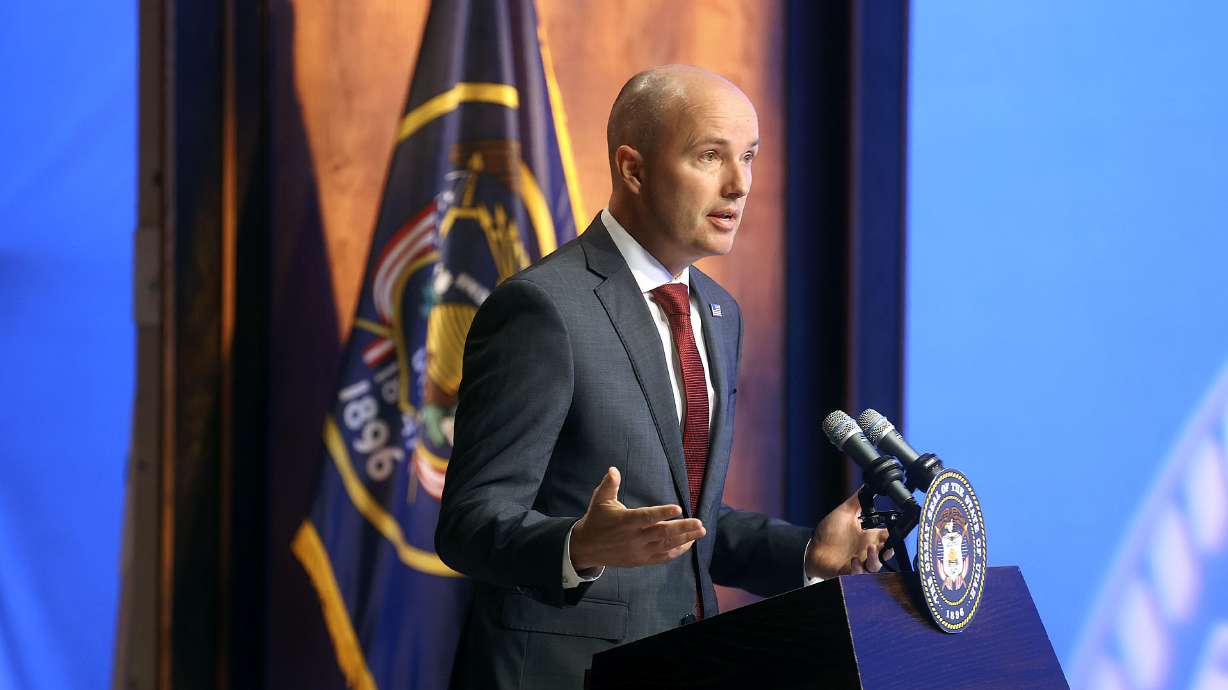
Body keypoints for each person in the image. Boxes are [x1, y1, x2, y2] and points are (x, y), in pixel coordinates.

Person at [435, 64, 891, 690]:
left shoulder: (718, 312)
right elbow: (469, 522)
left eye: (749, 157)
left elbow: (685, 521)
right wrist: (578, 545)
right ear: (633, 168)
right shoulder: (543, 309)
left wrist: (808, 553)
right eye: (710, 156)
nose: (739, 185)